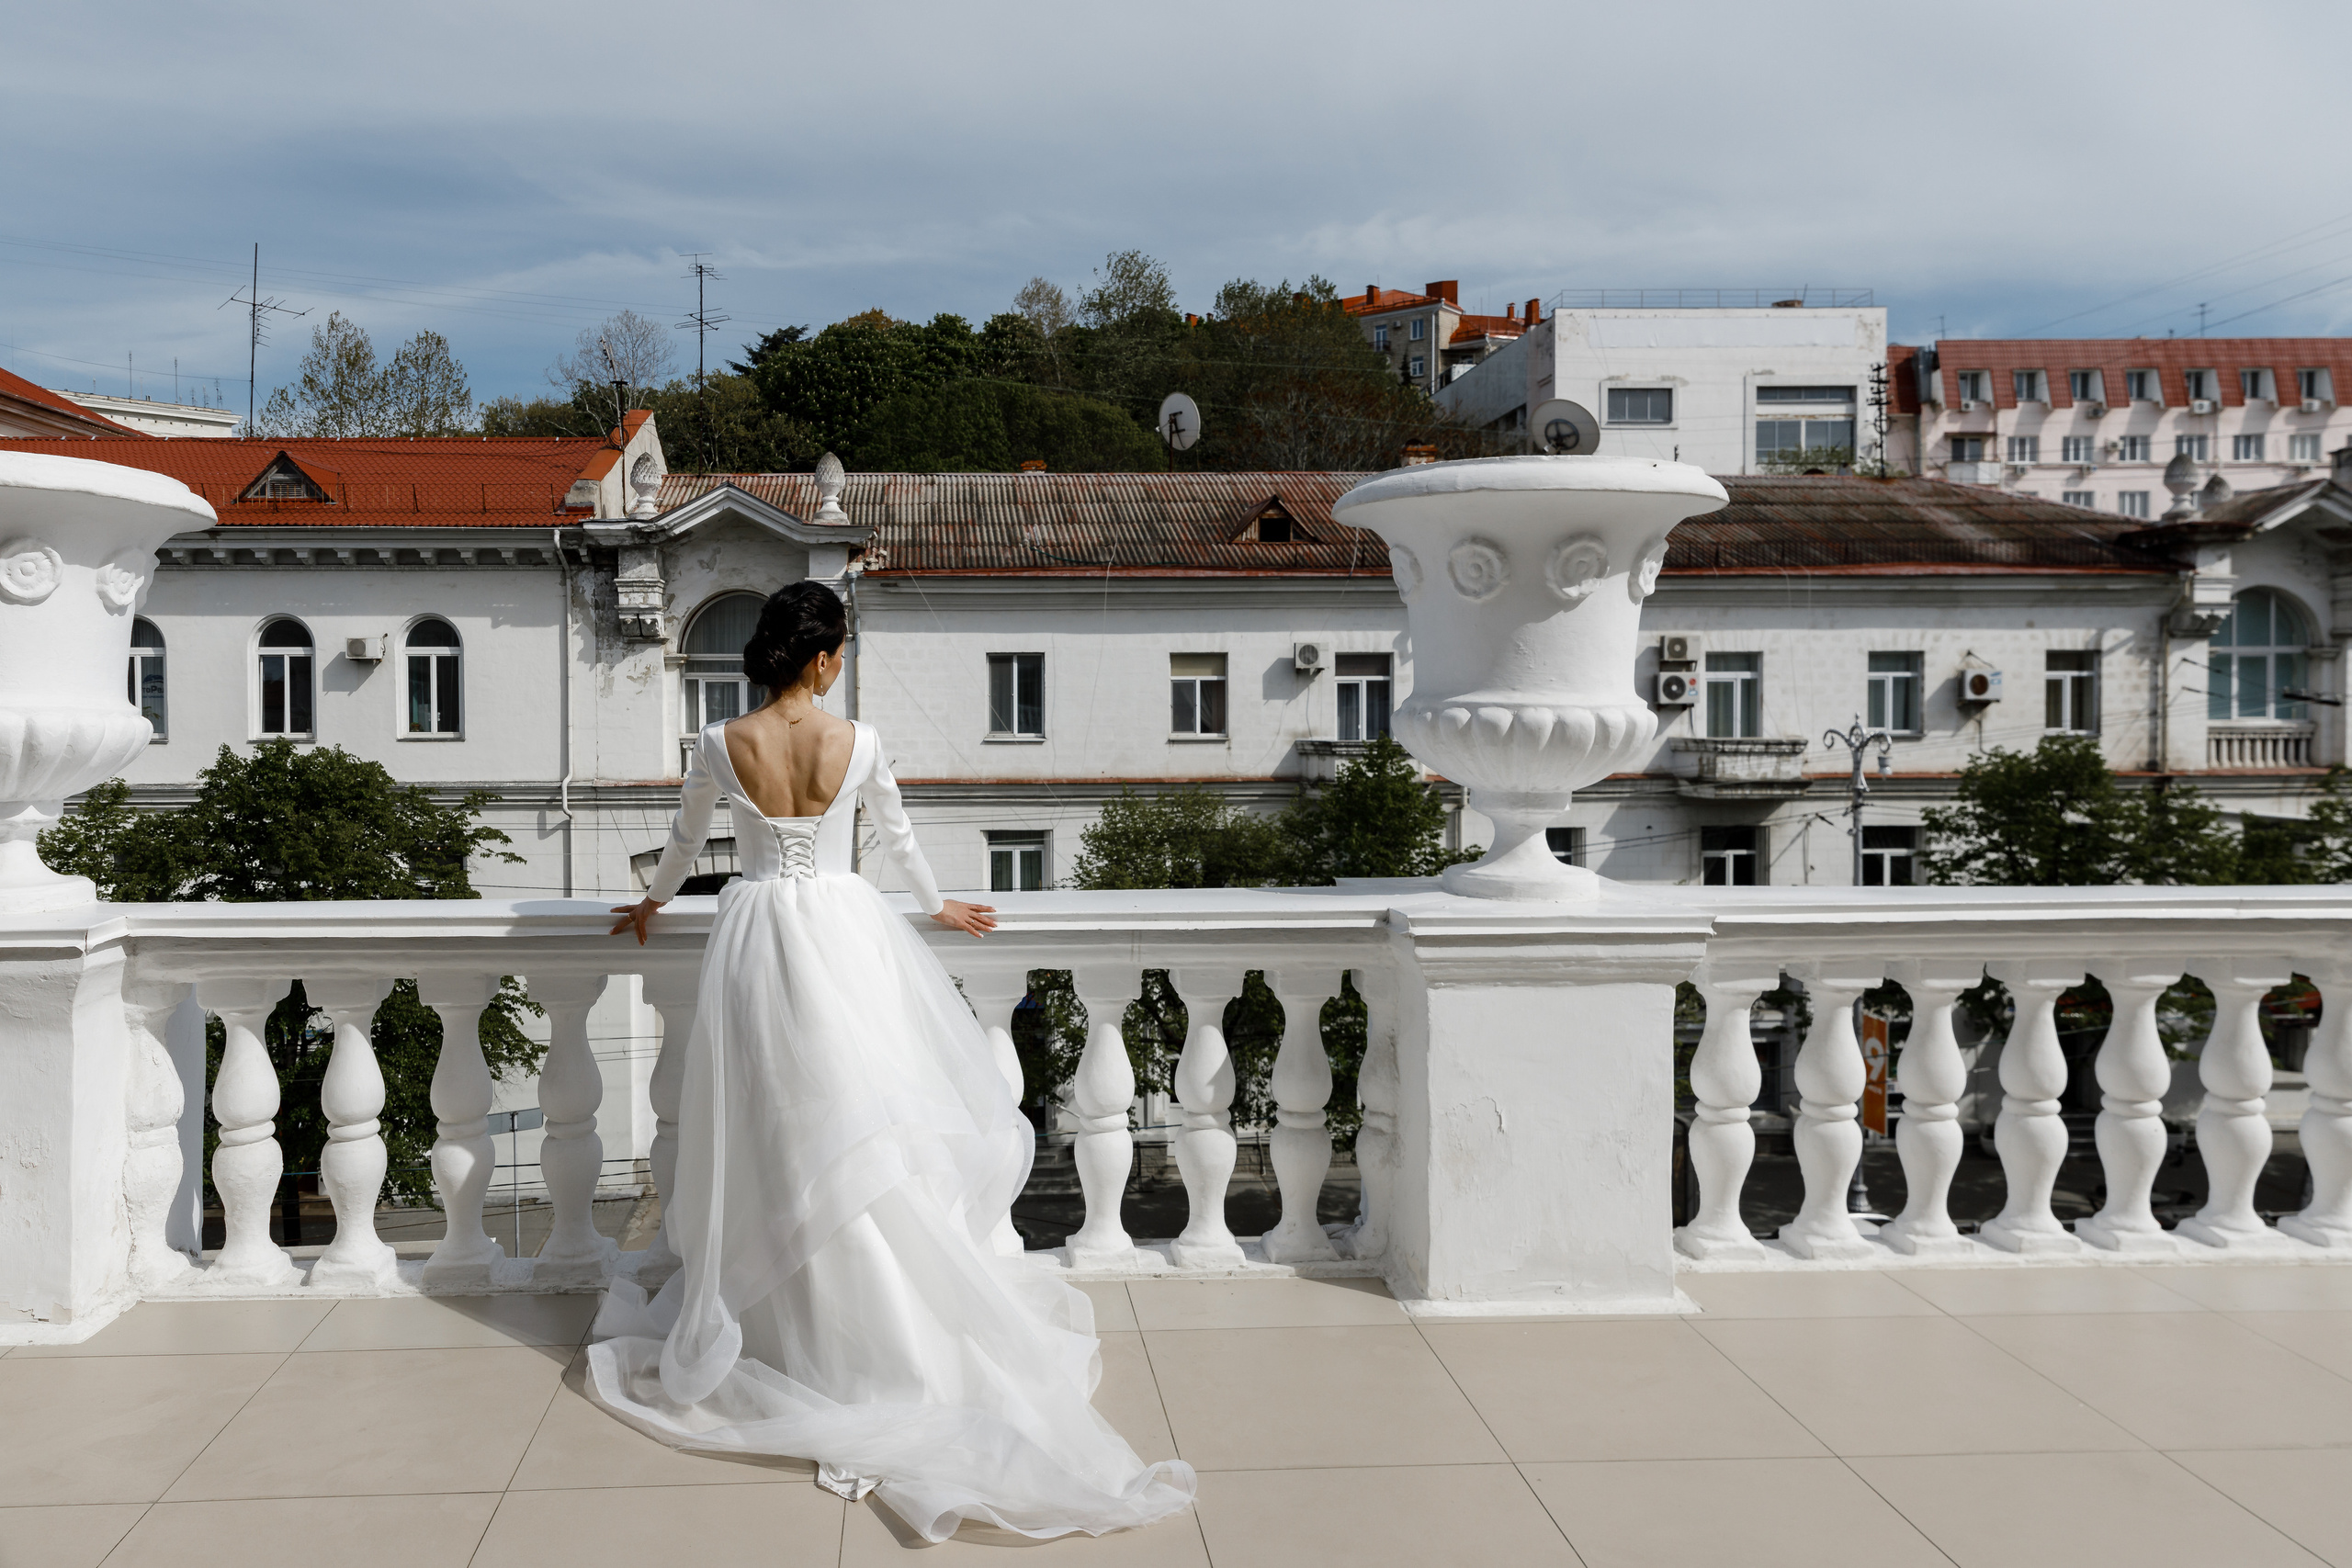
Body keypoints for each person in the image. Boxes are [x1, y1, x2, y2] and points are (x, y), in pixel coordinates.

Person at [590, 581, 1196, 1542]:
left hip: (754, 935)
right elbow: (901, 840)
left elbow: (680, 843)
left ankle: (791, 1327)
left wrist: (653, 905)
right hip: (844, 929)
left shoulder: (718, 741)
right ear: (824, 658)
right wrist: (940, 904)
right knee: (858, 1118)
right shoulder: (859, 741)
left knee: (774, 1128)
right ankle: (872, 1334)